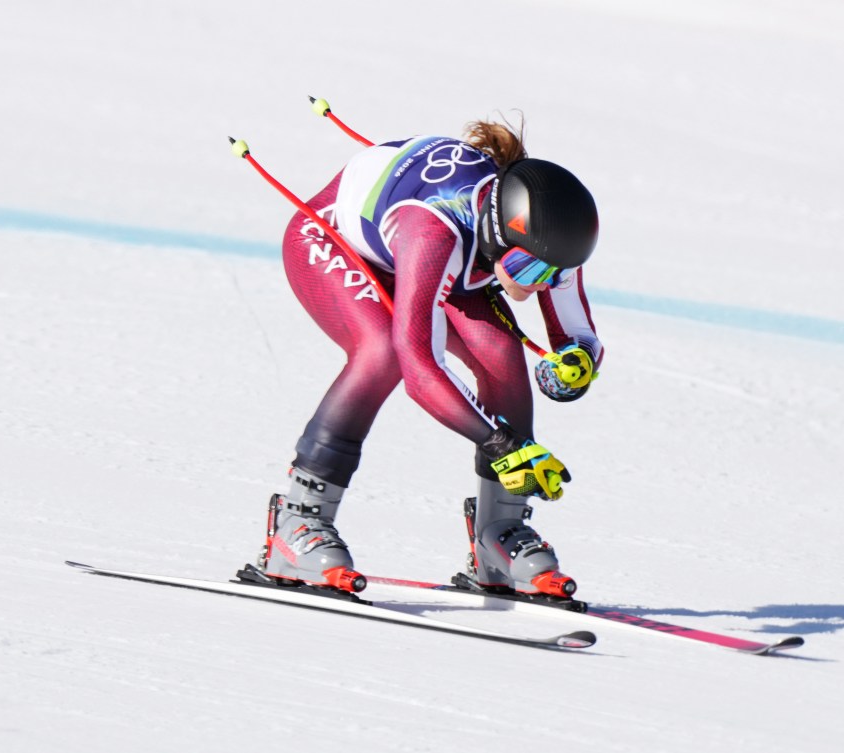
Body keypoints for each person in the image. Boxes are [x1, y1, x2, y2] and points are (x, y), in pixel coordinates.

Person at [255, 117, 603, 601]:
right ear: (497, 235)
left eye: (553, 274)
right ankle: (298, 523)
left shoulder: (543, 239)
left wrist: (577, 362)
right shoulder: (435, 231)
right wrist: (500, 442)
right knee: (382, 351)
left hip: (444, 254)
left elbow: (578, 334)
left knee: (501, 355)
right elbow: (420, 367)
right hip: (334, 240)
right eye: (526, 269)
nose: (537, 285)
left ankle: (498, 535)